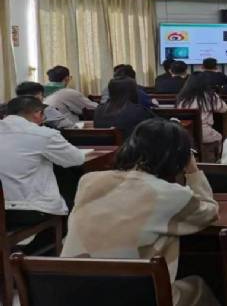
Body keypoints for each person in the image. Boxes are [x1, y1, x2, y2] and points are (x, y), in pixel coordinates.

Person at [61, 118, 219, 306]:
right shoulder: (170, 195)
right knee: (198, 286)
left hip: (71, 292)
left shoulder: (88, 181)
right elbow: (210, 212)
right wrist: (192, 171)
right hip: (132, 296)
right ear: (179, 158)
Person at [0, 96, 85, 251]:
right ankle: (39, 253)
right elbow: (76, 159)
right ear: (38, 114)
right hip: (27, 209)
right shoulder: (43, 134)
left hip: (4, 207)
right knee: (72, 198)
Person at [176, 74, 227, 161]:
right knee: (219, 137)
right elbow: (224, 109)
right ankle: (216, 161)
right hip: (203, 132)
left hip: (184, 132)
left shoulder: (182, 96)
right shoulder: (209, 96)